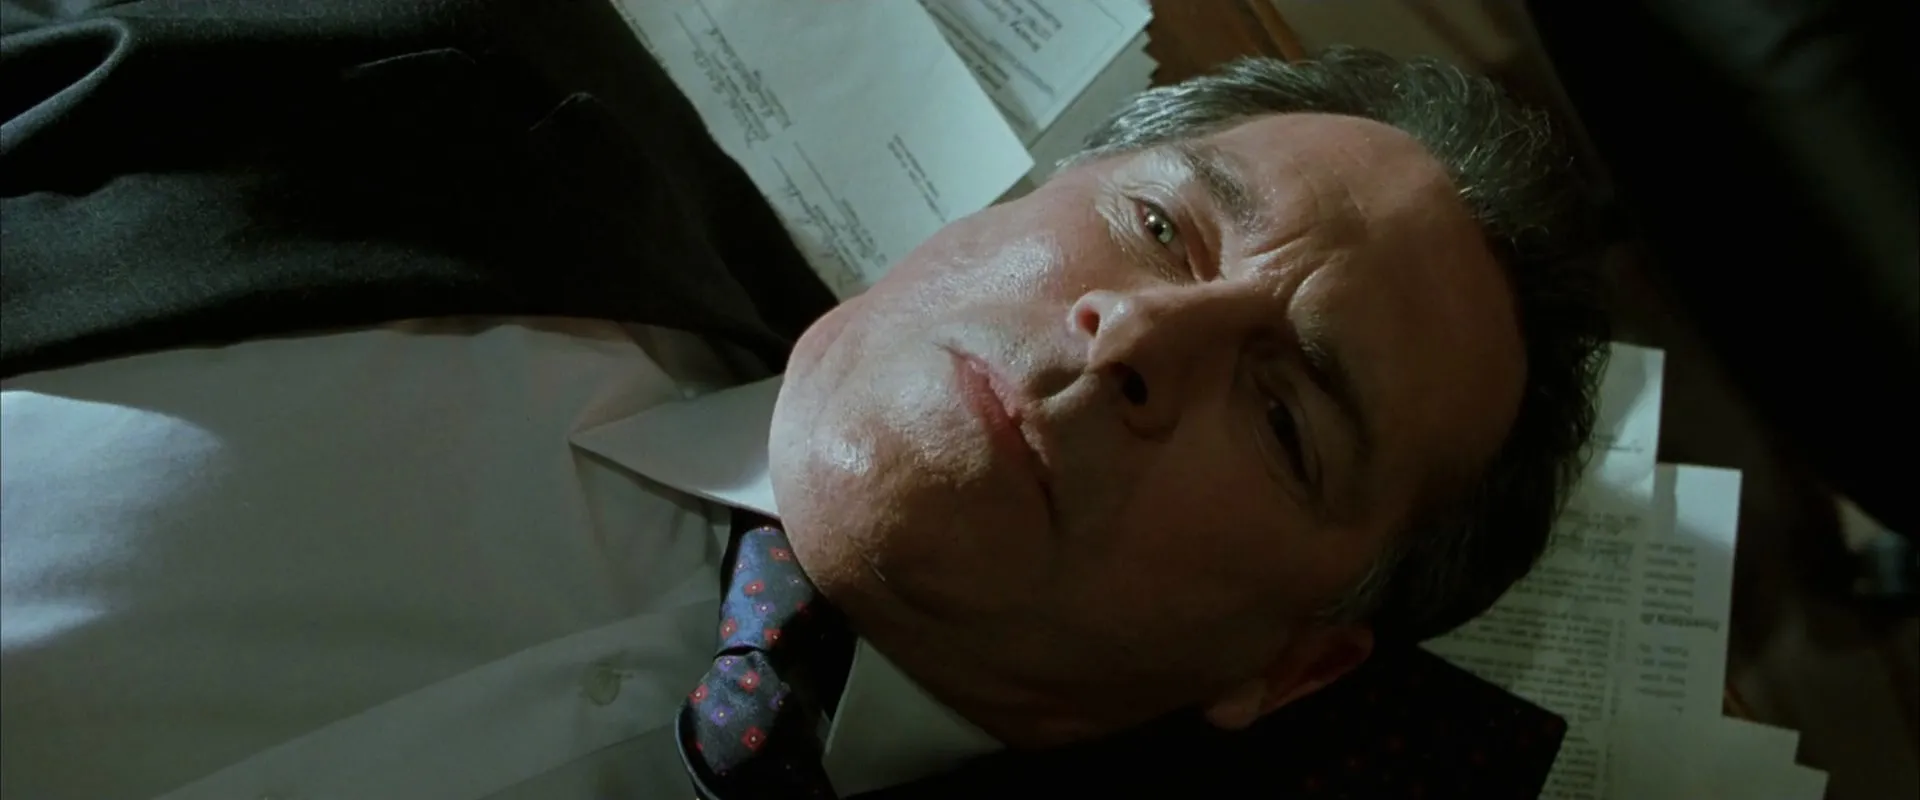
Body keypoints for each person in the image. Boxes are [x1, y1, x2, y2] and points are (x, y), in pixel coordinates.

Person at [0, 1, 1607, 797]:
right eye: (1157, 225)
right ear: (1015, 198)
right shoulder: (396, 104)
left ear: (1295, 666)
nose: (1135, 331)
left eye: (1286, 418)